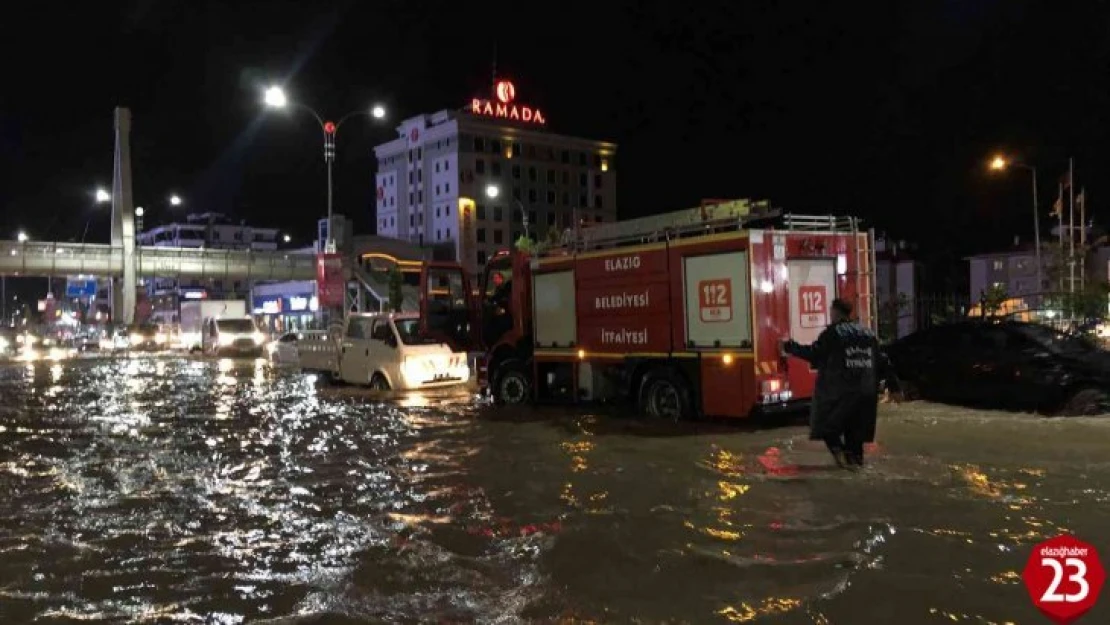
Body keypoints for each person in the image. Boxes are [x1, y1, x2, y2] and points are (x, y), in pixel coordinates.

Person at [782, 298, 893, 469]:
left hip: (841, 393)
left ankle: (841, 457)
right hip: (866, 395)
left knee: (827, 427)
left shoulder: (833, 334)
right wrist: (895, 386)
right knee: (855, 438)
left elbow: (814, 354)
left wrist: (790, 347)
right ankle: (855, 468)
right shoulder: (868, 333)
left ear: (835, 312)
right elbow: (883, 360)